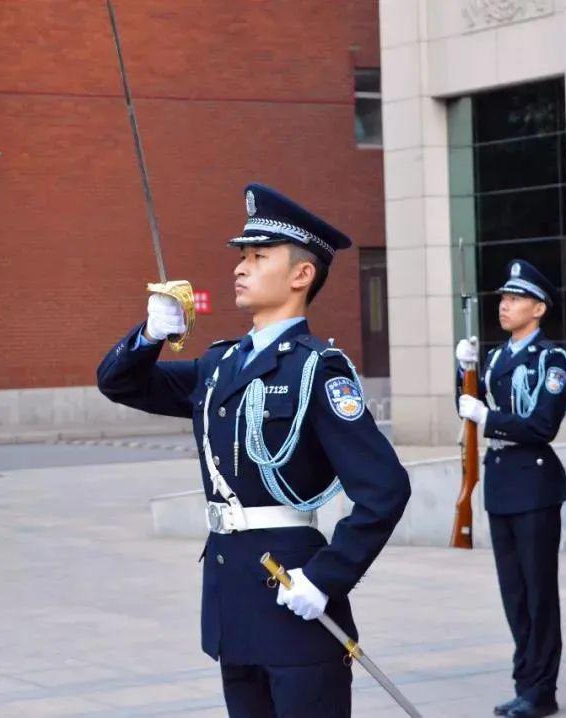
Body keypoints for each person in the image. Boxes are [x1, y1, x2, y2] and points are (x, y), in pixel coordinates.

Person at [96, 183, 411, 718]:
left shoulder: (316, 369)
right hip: (233, 595)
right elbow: (121, 384)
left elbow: (385, 489)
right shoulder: (219, 365)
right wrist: (149, 335)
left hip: (295, 594)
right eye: (242, 256)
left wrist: (327, 576)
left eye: (259, 256)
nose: (241, 268)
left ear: (301, 275)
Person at [455, 259, 566, 718]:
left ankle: (542, 689)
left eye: (515, 298)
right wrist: (461, 373)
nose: (504, 306)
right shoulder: (496, 357)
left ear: (538, 308)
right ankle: (525, 680)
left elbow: (543, 423)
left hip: (534, 481)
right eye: (503, 298)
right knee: (514, 592)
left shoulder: (551, 358)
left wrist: (490, 418)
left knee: (539, 591)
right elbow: (469, 408)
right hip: (501, 482)